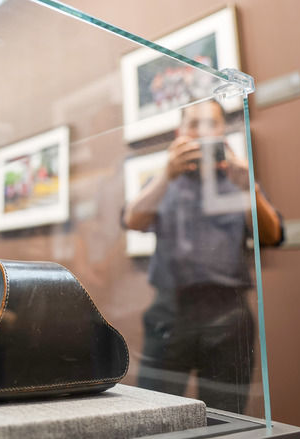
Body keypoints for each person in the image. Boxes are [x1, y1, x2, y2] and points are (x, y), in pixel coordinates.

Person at [122, 99, 283, 413]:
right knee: (153, 414)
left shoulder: (238, 178)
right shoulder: (164, 181)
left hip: (228, 314)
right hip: (170, 312)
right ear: (180, 131)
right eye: (194, 124)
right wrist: (166, 175)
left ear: (223, 129)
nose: (202, 131)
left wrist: (247, 187)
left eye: (211, 123)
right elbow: (132, 221)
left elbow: (273, 235)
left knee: (228, 416)